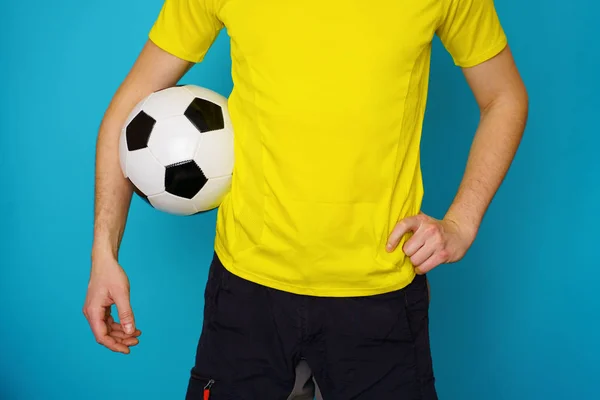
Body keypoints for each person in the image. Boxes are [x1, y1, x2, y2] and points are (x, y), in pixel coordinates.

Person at [82, 0, 528, 398]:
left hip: (379, 294)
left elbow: (504, 95)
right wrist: (104, 252)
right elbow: (129, 105)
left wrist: (461, 221)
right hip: (248, 289)